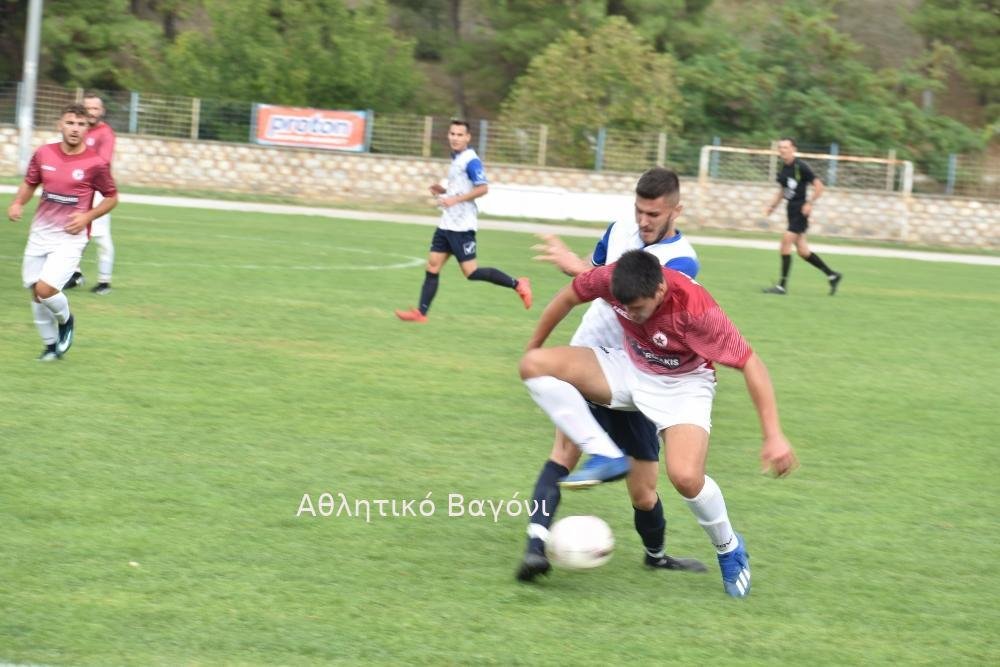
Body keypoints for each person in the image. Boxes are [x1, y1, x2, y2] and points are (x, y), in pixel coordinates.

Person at [519, 249, 798, 597]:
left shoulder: (695, 309)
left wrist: (773, 435)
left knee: (684, 477)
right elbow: (569, 296)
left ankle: (729, 548)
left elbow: (750, 363)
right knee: (533, 365)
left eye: (638, 308)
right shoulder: (612, 278)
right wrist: (533, 345)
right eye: (626, 309)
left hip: (684, 385)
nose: (632, 316)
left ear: (660, 291)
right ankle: (604, 454)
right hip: (629, 368)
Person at [517, 167, 706, 582]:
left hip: (636, 375)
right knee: (563, 453)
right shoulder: (620, 228)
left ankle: (655, 556)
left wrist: (583, 276)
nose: (643, 221)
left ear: (677, 210)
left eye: (654, 214)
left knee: (644, 489)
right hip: (590, 357)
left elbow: (632, 298)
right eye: (639, 210)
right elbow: (596, 271)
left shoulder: (681, 261)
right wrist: (576, 266)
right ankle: (534, 551)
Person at [7, 104, 118, 360]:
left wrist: (88, 216)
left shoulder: (95, 163)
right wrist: (18, 203)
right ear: (60, 124)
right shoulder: (44, 154)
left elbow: (111, 197)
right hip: (40, 234)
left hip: (71, 238)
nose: (75, 129)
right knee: (36, 294)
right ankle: (49, 348)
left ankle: (66, 320)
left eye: (81, 124)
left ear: (87, 128)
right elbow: (30, 182)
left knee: (46, 290)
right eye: (70, 123)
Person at [395, 119, 531, 322]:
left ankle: (518, 284)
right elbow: (461, 188)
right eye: (452, 134)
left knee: (471, 272)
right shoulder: (457, 158)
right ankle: (420, 313)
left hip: (462, 227)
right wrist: (444, 191)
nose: (455, 138)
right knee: (432, 266)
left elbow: (482, 188)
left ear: (468, 137)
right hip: (447, 223)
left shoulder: (471, 160)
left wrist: (454, 199)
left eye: (460, 135)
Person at [763, 137, 842, 295]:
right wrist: (772, 206)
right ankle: (832, 275)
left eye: (785, 147)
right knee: (803, 251)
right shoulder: (783, 168)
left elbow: (819, 186)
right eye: (780, 147)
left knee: (785, 243)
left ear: (793, 149)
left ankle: (782, 286)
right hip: (791, 211)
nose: (782, 150)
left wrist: (810, 203)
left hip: (800, 211)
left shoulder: (801, 166)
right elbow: (783, 191)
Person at [64, 93, 117, 295]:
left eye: (96, 109)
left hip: (98, 191)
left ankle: (105, 281)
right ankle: (75, 274)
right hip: (79, 190)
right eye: (88, 108)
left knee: (101, 236)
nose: (92, 112)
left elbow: (102, 163)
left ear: (101, 111)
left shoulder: (106, 134)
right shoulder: (79, 130)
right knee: (75, 231)